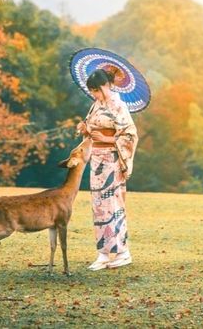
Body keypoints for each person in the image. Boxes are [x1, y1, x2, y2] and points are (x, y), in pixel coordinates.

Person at [77, 68, 138, 271]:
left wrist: (107, 139)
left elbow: (129, 135)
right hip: (97, 161)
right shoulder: (96, 105)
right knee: (99, 207)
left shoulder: (119, 106)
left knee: (114, 205)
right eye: (92, 91)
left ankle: (123, 252)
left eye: (95, 90)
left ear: (105, 86)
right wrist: (85, 129)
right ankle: (103, 253)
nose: (93, 94)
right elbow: (90, 126)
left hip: (113, 160)